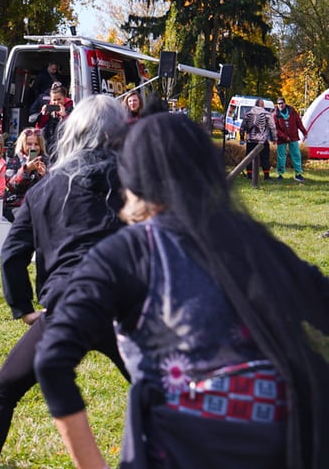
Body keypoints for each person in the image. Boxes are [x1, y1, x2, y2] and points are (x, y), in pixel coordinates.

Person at [34, 112, 329, 469]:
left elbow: (53, 359)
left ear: (131, 176)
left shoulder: (128, 252)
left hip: (176, 450)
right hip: (284, 443)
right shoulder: (254, 243)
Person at [0, 96, 130, 469]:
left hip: (67, 309)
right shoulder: (136, 184)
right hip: (124, 310)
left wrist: (23, 307)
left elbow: (13, 254)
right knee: (170, 394)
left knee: (2, 392)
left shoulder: (45, 188)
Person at [1, 128, 48, 222]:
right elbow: (11, 186)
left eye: (36, 144)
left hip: (40, 204)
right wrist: (26, 170)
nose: (33, 147)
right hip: (17, 204)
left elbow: (54, 187)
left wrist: (45, 176)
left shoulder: (46, 161)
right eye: (29, 144)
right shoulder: (14, 161)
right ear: (22, 145)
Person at [31, 83, 73, 158]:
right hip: (48, 145)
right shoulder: (48, 109)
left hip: (63, 147)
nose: (56, 102)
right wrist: (43, 115)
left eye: (59, 99)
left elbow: (73, 128)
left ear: (64, 98)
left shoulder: (70, 109)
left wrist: (64, 116)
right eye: (54, 100)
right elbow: (40, 127)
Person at [273, 96, 308, 182]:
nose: (280, 105)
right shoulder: (275, 114)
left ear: (285, 103)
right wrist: (285, 137)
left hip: (293, 137)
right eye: (279, 104)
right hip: (282, 138)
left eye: (282, 103)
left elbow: (298, 122)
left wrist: (304, 132)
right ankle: (280, 174)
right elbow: (275, 129)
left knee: (296, 155)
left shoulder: (292, 111)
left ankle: (298, 174)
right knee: (281, 157)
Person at [240, 99, 276, 180]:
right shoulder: (266, 114)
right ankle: (266, 176)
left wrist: (242, 138)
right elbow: (272, 127)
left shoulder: (248, 114)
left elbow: (242, 127)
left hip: (250, 140)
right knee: (265, 158)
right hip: (262, 140)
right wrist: (274, 138)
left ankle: (249, 174)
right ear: (262, 105)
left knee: (249, 157)